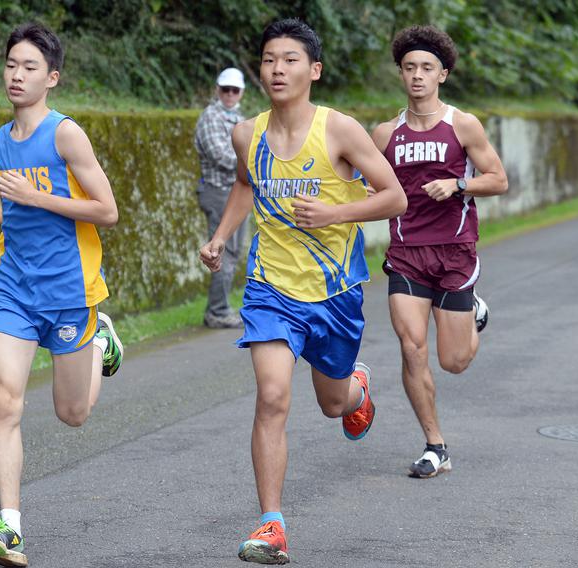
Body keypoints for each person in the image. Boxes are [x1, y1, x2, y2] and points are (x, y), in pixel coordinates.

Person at [199, 18, 407, 565]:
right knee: (271, 396)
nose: (277, 69)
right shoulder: (247, 133)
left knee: (332, 403)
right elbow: (246, 184)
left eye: (289, 59)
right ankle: (272, 525)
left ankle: (356, 388)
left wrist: (336, 212)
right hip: (270, 287)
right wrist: (221, 237)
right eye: (269, 59)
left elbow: (395, 197)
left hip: (334, 291)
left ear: (313, 70)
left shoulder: (340, 130)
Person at [0, 22, 124, 567]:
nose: (16, 74)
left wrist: (37, 194)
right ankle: (9, 528)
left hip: (71, 290)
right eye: (11, 64)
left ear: (51, 77)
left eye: (29, 67)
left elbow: (107, 211)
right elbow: (7, 205)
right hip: (14, 286)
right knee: (6, 401)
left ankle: (101, 341)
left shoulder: (65, 135)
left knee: (72, 414)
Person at [371, 25, 508, 480]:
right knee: (412, 348)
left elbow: (498, 179)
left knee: (454, 361)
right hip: (407, 253)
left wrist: (458, 184)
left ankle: (475, 316)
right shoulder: (385, 134)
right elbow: (365, 185)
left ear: (442, 74)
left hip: (455, 252)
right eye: (409, 68)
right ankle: (435, 445)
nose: (417, 76)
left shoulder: (462, 124)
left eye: (426, 68)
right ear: (401, 73)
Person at [194, 67, 248, 328]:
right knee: (220, 250)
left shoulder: (238, 118)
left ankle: (221, 307)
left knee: (234, 251)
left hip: (235, 191)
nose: (229, 94)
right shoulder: (211, 117)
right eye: (225, 89)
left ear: (241, 93)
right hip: (218, 192)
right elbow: (220, 155)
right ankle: (217, 311)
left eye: (234, 90)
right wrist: (251, 164)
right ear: (217, 90)